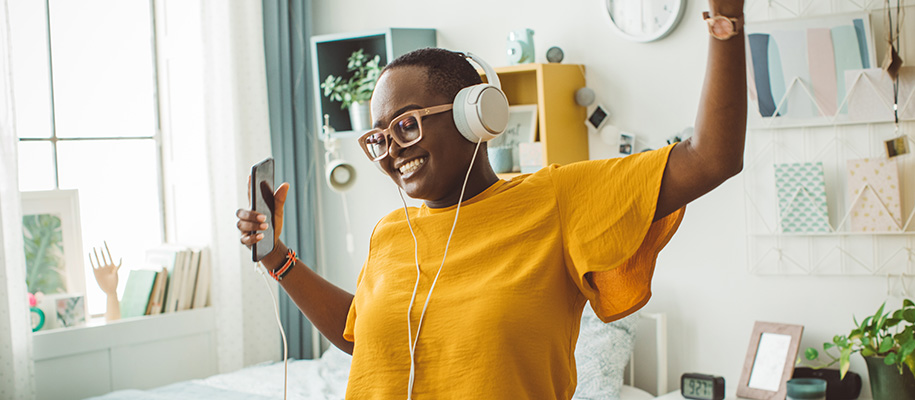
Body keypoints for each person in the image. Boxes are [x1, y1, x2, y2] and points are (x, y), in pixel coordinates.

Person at [236, 1, 746, 397]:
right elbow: (360, 339)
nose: (391, 150)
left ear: (475, 116)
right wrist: (277, 257)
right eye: (379, 138)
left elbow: (710, 159)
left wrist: (725, 21)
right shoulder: (392, 232)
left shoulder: (557, 199)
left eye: (406, 126)